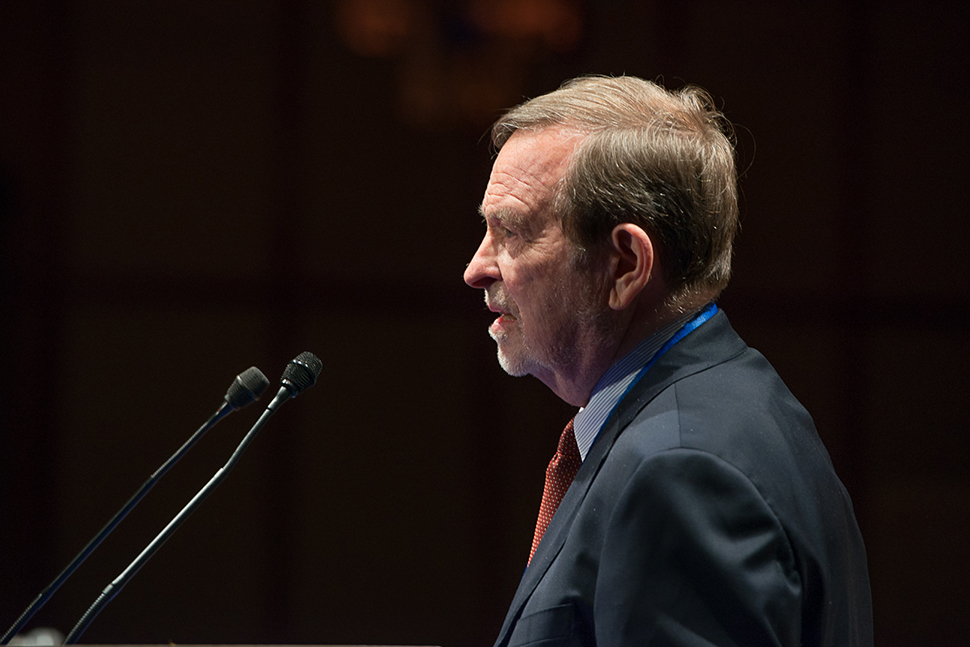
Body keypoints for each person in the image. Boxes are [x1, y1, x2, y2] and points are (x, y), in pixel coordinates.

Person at [463, 75, 873, 646]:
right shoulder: (735, 407)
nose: (476, 268)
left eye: (511, 232)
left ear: (625, 265)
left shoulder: (680, 472)